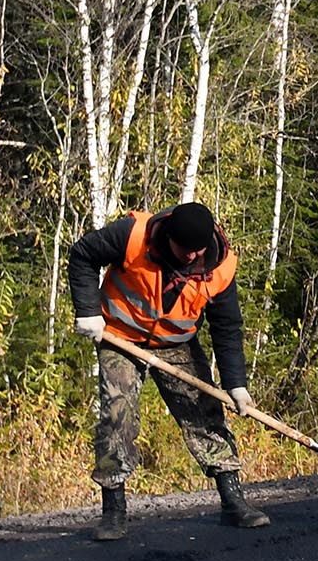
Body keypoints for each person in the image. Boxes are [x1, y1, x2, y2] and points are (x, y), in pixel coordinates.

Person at [67, 202, 270, 541]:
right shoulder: (133, 236)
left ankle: (233, 500)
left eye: (197, 251)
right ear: (169, 237)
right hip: (120, 336)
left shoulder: (221, 266)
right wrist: (88, 311)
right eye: (183, 250)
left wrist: (236, 385)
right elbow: (83, 254)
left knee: (204, 413)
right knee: (117, 415)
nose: (191, 257)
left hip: (178, 343)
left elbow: (227, 326)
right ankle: (113, 512)